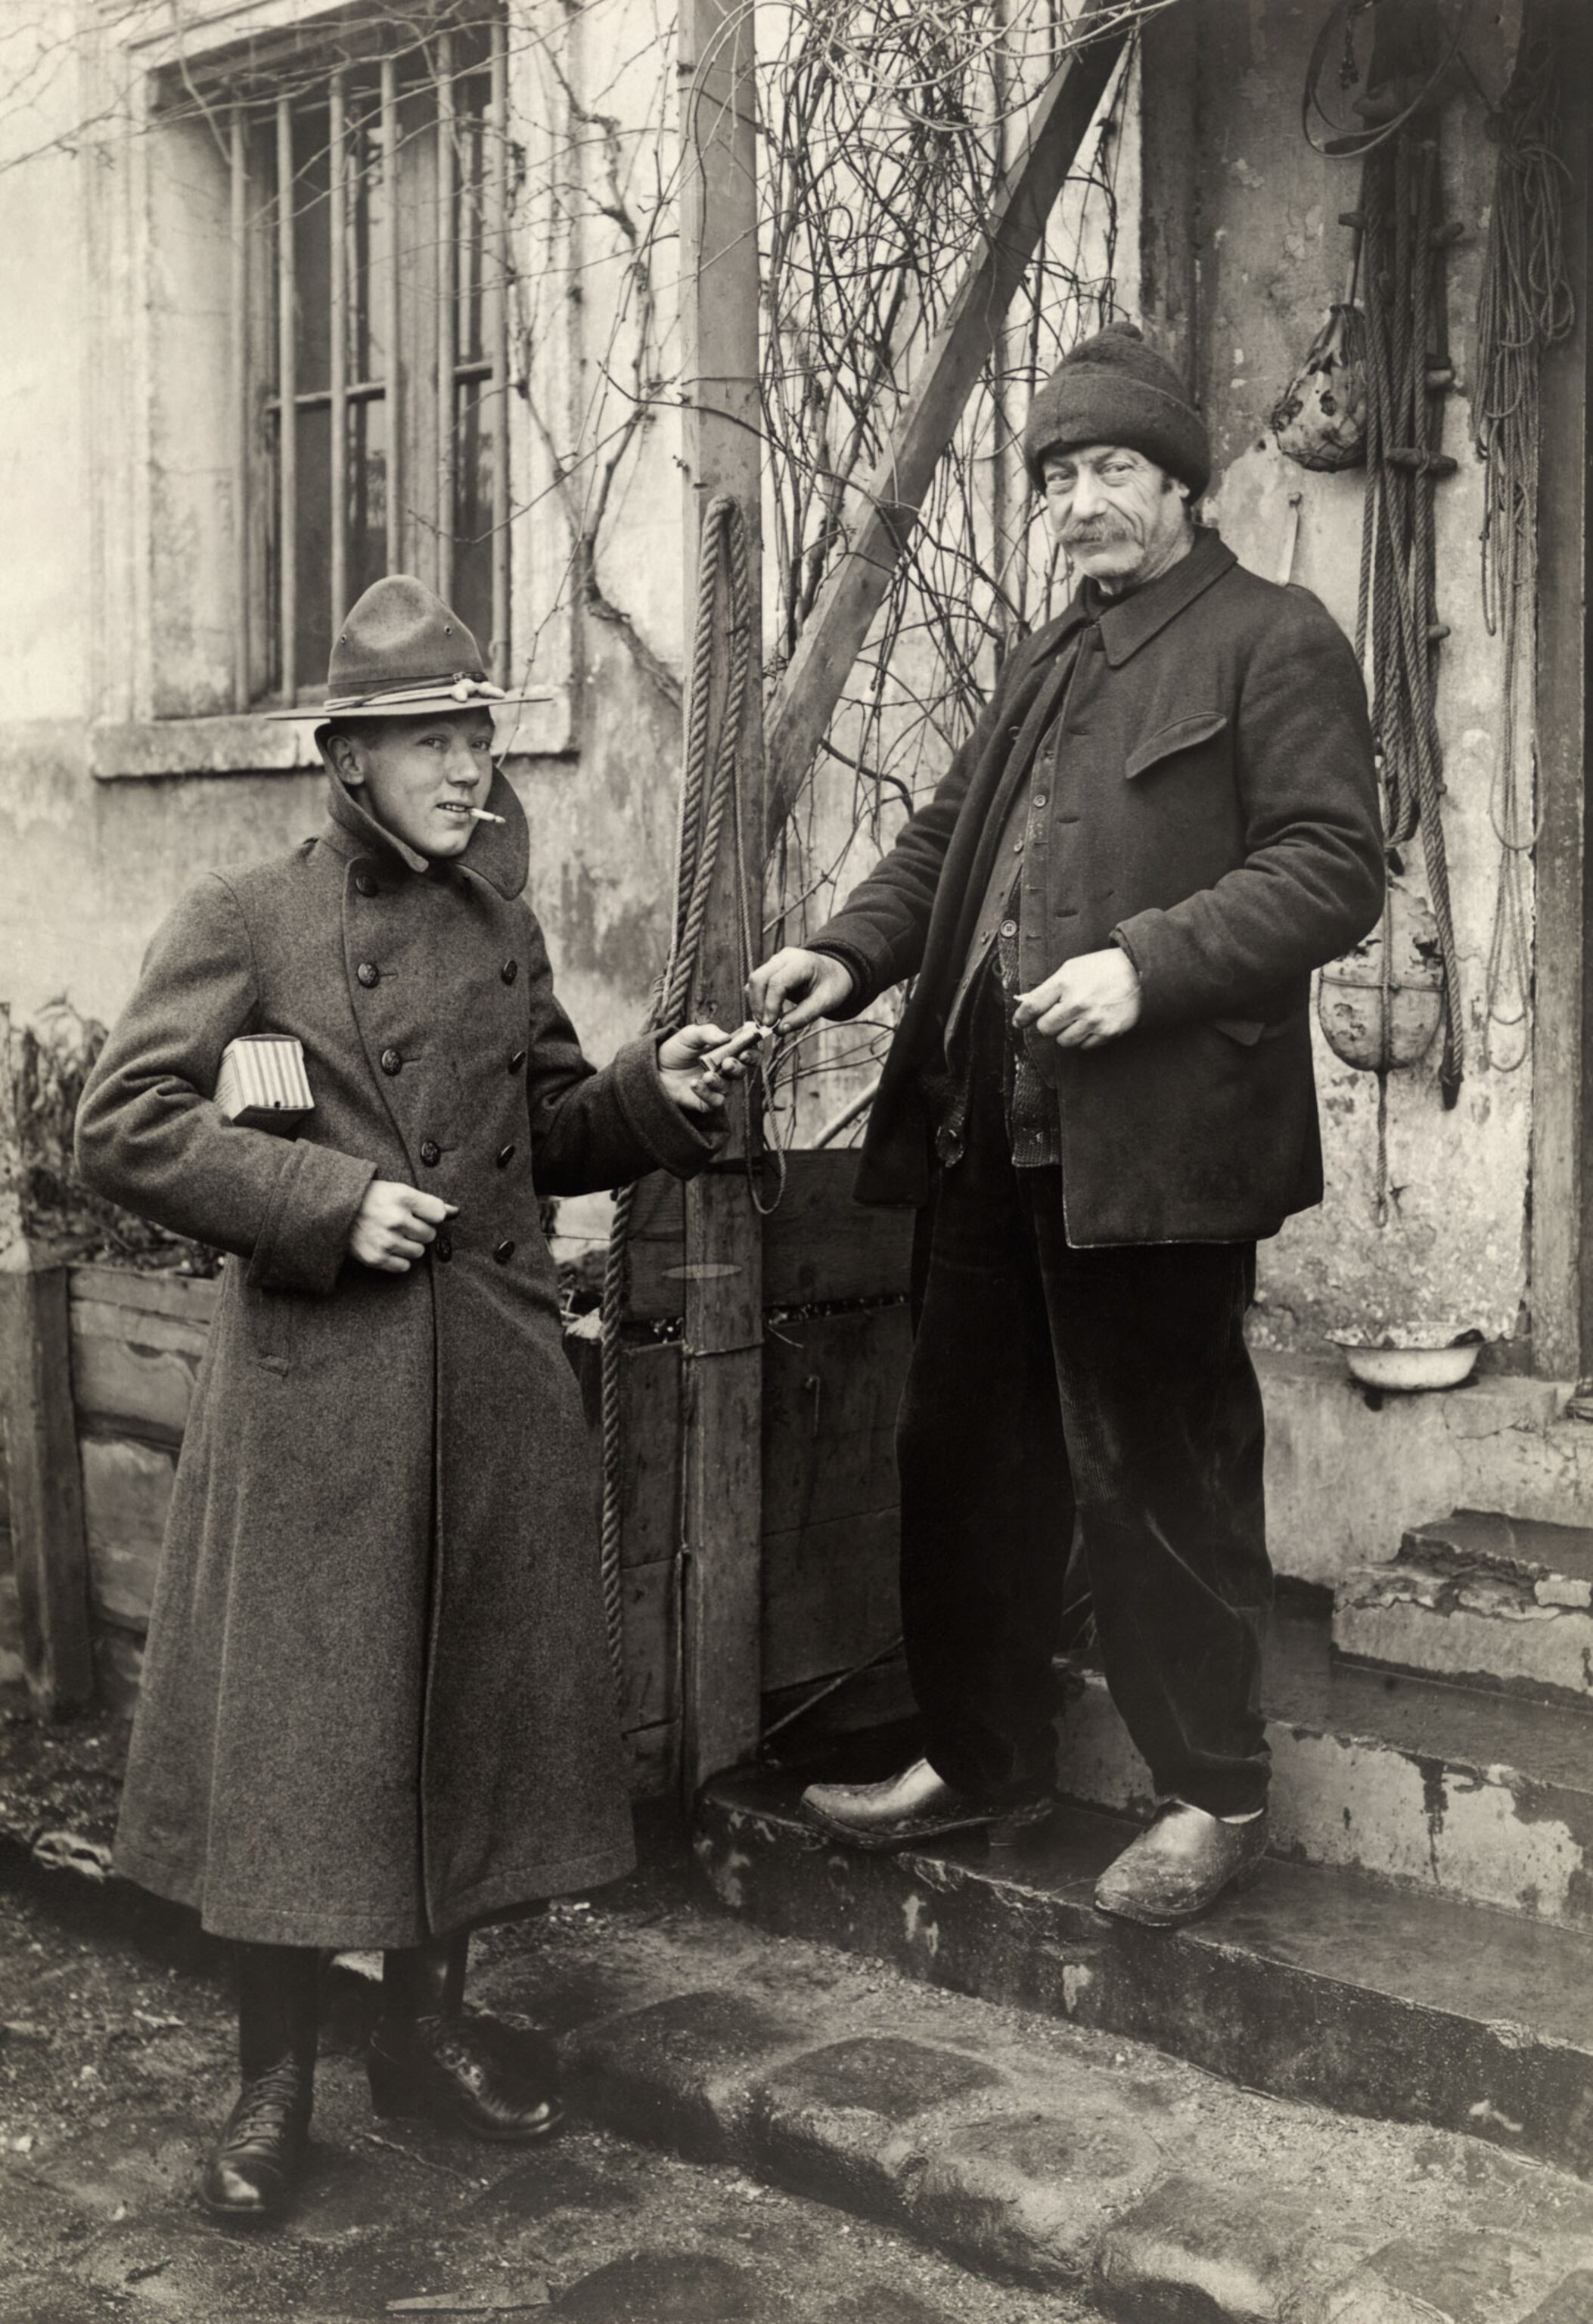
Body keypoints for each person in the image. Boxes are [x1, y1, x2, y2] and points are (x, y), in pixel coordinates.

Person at [76, 576, 741, 2221]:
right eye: (430, 742)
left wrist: (662, 1092)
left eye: (478, 736)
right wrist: (322, 1206)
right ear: (349, 758)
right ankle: (270, 2089)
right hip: (324, 1402)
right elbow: (123, 1124)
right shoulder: (249, 916)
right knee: (305, 1759)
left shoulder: (502, 928)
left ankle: (421, 2038)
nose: (467, 771)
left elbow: (554, 1132)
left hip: (491, 1381)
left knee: (468, 1731)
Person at [748, 321, 1384, 1929]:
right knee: (964, 1456)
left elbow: (1334, 868)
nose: (1079, 504)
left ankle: (1210, 1795)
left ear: (1181, 483)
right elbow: (948, 837)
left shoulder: (1274, 638)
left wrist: (1145, 966)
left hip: (1159, 1149)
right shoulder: (1051, 656)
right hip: (989, 1127)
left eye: (1110, 470)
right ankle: (980, 1754)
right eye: (1056, 478)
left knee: (1157, 1475)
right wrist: (847, 948)